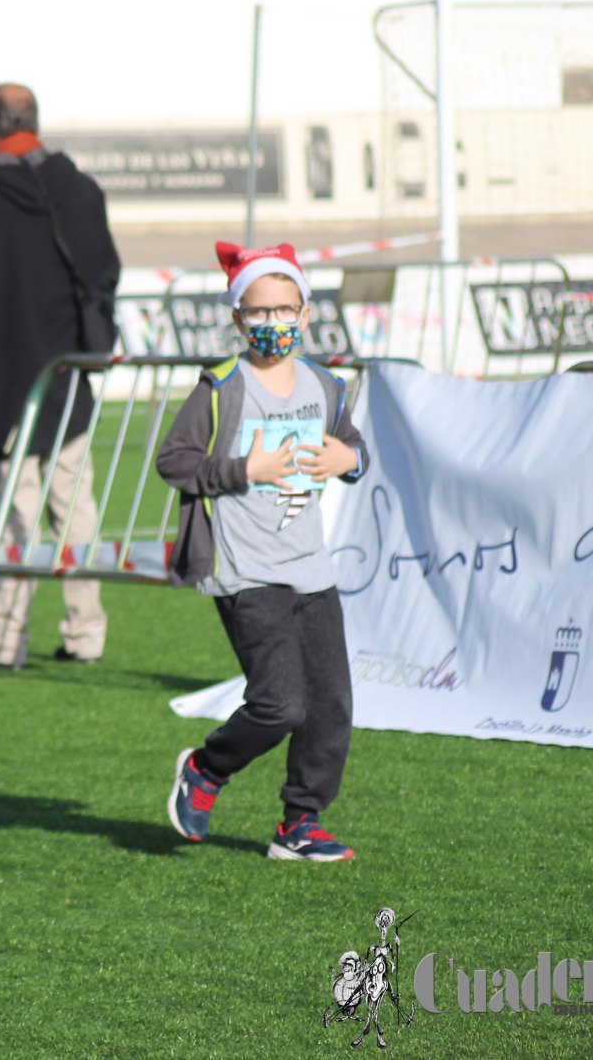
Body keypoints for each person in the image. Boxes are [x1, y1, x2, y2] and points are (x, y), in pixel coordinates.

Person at [156, 242, 370, 861]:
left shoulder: (325, 384)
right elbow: (175, 462)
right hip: (244, 571)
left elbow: (353, 447)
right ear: (237, 320)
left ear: (305, 313)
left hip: (312, 570)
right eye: (259, 313)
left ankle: (300, 825)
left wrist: (349, 459)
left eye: (285, 310)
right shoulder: (222, 388)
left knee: (330, 706)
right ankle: (205, 768)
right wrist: (241, 468)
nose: (273, 323)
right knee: (279, 704)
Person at [0, 82, 122, 668]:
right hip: (70, 376)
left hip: (3, 379)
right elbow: (105, 276)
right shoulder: (79, 190)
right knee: (76, 508)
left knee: (15, 515)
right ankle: (85, 632)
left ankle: (2, 639)